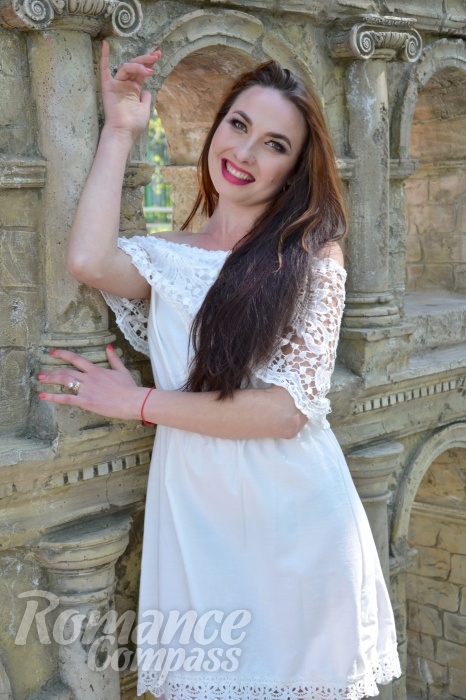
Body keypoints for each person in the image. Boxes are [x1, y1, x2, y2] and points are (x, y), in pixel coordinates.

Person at [38, 40, 401, 699]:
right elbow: (88, 260)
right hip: (195, 514)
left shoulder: (311, 255)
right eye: (238, 125)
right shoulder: (167, 255)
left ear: (294, 169)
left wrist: (137, 403)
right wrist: (120, 129)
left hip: (295, 519)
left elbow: (285, 411)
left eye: (274, 145)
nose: (245, 152)